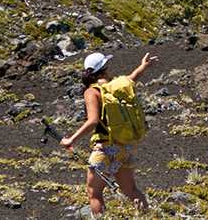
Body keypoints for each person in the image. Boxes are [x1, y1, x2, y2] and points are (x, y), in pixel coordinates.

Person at [60, 51, 156, 217]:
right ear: (104, 69)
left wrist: (71, 139)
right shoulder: (116, 88)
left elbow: (93, 121)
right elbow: (132, 78)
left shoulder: (92, 92)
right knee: (131, 190)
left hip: (105, 149)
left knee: (94, 193)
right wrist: (143, 66)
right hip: (125, 147)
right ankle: (148, 216)